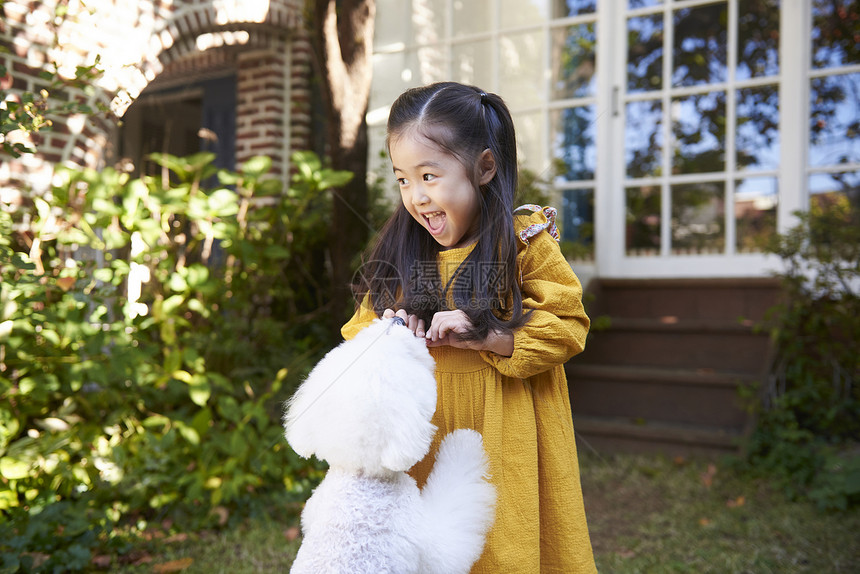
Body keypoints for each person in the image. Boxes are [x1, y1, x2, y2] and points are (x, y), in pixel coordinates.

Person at [342, 81, 596, 573]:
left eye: (429, 176)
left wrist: (492, 335)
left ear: (484, 167)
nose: (416, 197)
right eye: (402, 180)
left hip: (505, 435)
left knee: (503, 545)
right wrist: (389, 334)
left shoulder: (523, 244)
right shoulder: (403, 251)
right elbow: (358, 335)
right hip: (427, 436)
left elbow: (567, 324)